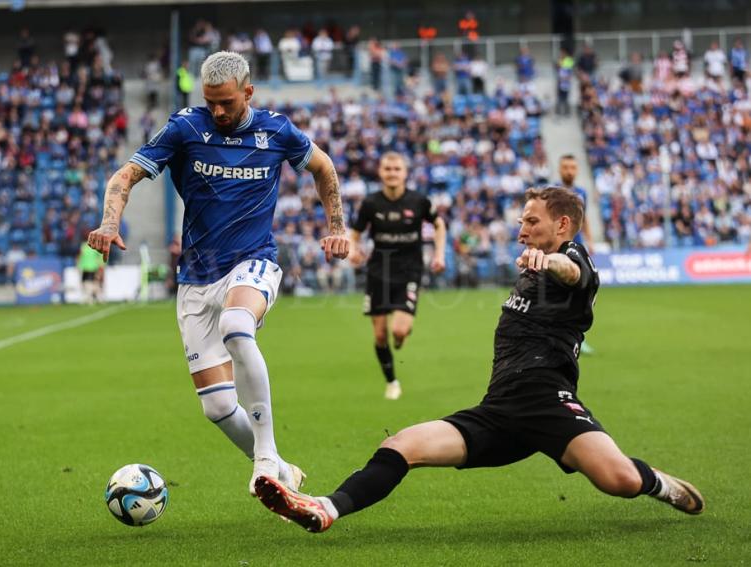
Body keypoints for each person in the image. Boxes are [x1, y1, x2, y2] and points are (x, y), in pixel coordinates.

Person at [253, 187, 705, 532]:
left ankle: (657, 482)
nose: (521, 229)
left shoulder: (573, 260)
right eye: (521, 221)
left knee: (619, 480)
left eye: (531, 221)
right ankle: (324, 508)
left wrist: (551, 264)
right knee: (402, 446)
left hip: (549, 403)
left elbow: (575, 273)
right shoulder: (532, 266)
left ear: (563, 225)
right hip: (500, 408)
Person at [87, 51, 350, 496]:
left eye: (227, 102)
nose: (219, 111)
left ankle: (265, 456)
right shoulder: (186, 128)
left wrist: (337, 228)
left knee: (236, 324)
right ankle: (281, 471)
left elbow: (323, 167)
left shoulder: (277, 130)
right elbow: (124, 177)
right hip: (196, 278)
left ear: (248, 91)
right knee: (218, 407)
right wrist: (110, 223)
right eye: (211, 103)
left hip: (253, 261)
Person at [348, 153, 446, 400]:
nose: (392, 173)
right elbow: (356, 233)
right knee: (380, 335)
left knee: (399, 332)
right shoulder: (370, 204)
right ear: (381, 172)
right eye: (387, 168)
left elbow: (439, 224)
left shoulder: (419, 201)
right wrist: (353, 250)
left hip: (409, 271)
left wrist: (439, 254)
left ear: (405, 173)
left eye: (397, 169)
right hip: (378, 272)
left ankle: (400, 338)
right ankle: (392, 381)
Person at [556, 154, 596, 355]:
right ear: (559, 169)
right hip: (557, 248)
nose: (569, 171)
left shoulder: (581, 193)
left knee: (580, 294)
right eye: (565, 167)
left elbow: (584, 218)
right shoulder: (552, 192)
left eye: (572, 167)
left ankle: (578, 337)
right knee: (557, 292)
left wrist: (589, 240)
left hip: (576, 248)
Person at [77, 238, 105, 305]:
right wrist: (78, 266)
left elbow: (99, 257)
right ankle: (94, 298)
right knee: (88, 283)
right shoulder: (85, 246)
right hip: (87, 267)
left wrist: (101, 266)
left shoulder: (92, 246)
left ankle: (92, 298)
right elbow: (80, 256)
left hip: (91, 267)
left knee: (91, 283)